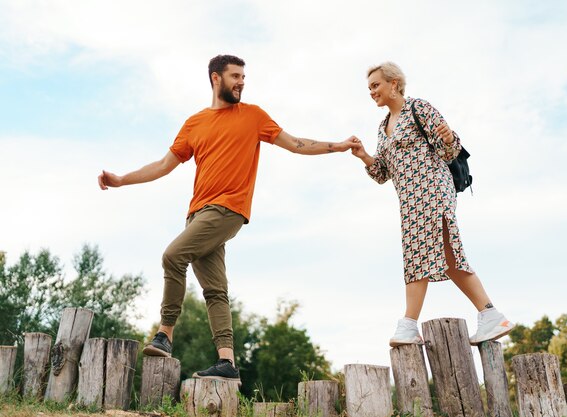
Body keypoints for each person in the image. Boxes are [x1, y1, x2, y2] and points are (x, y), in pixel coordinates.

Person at [98, 54, 357, 383]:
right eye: (235, 76)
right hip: (198, 214)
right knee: (215, 291)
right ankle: (227, 361)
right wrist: (121, 180)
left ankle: (164, 334)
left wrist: (338, 146)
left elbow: (295, 144)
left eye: (244, 77)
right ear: (216, 78)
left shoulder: (253, 116)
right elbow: (163, 166)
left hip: (227, 209)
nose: (241, 82)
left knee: (172, 256)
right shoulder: (195, 123)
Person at [350, 62, 513, 347]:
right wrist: (364, 155)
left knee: (417, 254)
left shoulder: (419, 109)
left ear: (394, 84)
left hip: (433, 190)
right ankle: (491, 315)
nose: (371, 92)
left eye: (376, 85)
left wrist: (450, 137)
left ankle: (409, 324)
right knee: (450, 259)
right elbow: (382, 174)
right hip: (409, 200)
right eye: (369, 88)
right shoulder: (382, 126)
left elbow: (448, 150)